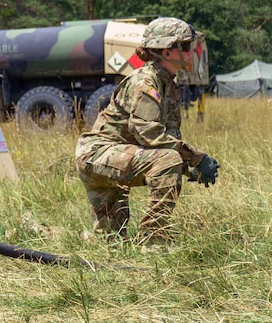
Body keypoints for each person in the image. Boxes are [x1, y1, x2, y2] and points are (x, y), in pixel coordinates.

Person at [75, 17, 220, 244]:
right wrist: (196, 158)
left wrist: (190, 171)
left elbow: (165, 143)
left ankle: (48, 234)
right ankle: (154, 240)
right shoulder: (145, 82)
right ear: (166, 51)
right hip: (99, 155)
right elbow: (150, 135)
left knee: (111, 243)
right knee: (169, 160)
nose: (191, 51)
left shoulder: (167, 85)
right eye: (184, 46)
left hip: (114, 158)